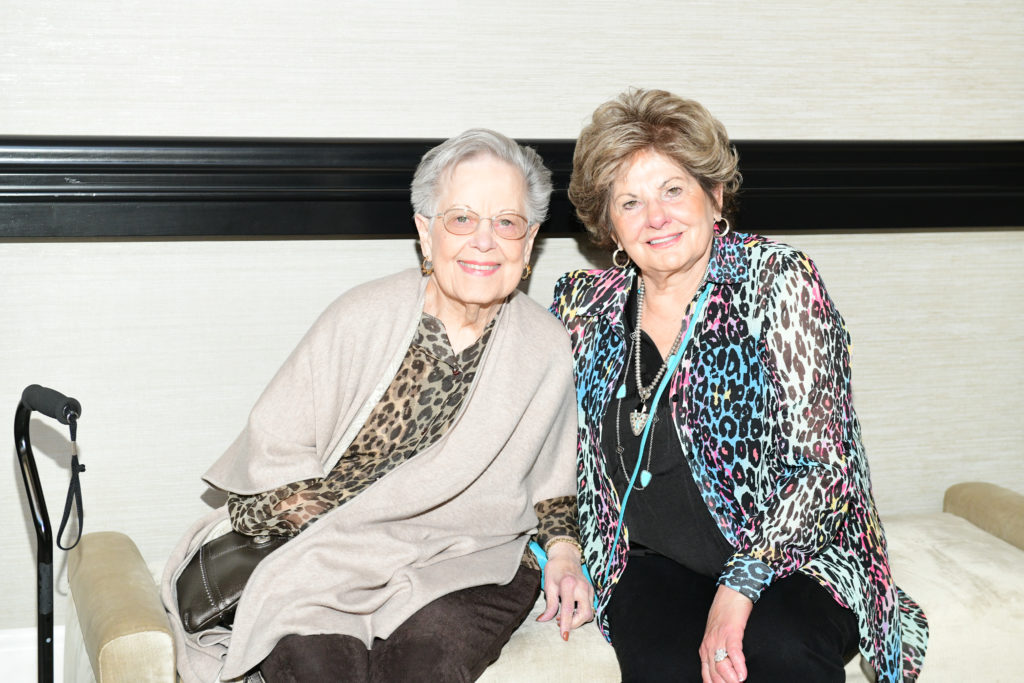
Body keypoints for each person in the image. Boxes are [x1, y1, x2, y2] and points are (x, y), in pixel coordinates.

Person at [162, 129, 594, 683]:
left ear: (529, 240)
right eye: (462, 218)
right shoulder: (360, 318)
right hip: (333, 553)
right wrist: (345, 525)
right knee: (319, 668)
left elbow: (552, 483)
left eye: (506, 222)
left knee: (427, 666)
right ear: (424, 230)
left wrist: (563, 555)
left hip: (471, 560)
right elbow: (274, 456)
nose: (485, 241)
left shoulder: (545, 345)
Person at [549, 88, 928, 683]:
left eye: (673, 189)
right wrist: (563, 547)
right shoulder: (582, 306)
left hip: (794, 556)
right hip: (651, 559)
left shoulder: (777, 282)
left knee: (776, 651)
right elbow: (553, 451)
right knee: (662, 667)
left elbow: (826, 471)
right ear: (609, 227)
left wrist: (740, 587)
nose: (656, 217)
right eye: (630, 202)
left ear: (715, 195)